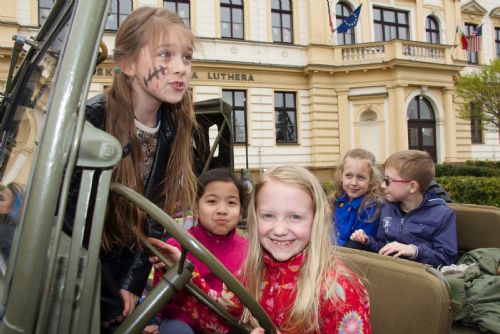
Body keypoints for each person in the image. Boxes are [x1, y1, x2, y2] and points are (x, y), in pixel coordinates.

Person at [64, 6, 198, 332]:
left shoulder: (173, 126)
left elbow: (153, 218)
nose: (180, 68)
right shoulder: (93, 120)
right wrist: (107, 295)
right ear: (128, 64)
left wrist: (131, 284)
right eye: (165, 55)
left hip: (123, 280)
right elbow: (69, 221)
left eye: (187, 57)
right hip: (79, 282)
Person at [150, 165, 371, 333]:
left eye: (295, 217)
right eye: (268, 216)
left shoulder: (339, 291)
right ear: (255, 219)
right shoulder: (254, 271)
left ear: (317, 219)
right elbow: (219, 318)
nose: (280, 229)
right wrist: (183, 269)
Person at [145, 168, 248, 334]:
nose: (222, 210)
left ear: (241, 211)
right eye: (212, 201)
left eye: (231, 203)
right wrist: (165, 270)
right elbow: (166, 309)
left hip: (230, 326)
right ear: (195, 207)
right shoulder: (177, 246)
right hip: (185, 323)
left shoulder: (248, 252)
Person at [351, 150, 457, 268]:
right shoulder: (387, 208)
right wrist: (367, 241)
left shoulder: (442, 215)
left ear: (412, 187)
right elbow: (382, 247)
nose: (382, 186)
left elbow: (447, 258)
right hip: (391, 271)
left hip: (420, 277)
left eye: (387, 181)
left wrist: (414, 251)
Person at [330, 149, 383, 250]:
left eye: (360, 177)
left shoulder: (371, 206)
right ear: (341, 176)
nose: (353, 183)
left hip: (349, 256)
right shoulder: (337, 200)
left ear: (371, 179)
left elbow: (358, 245)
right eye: (348, 176)